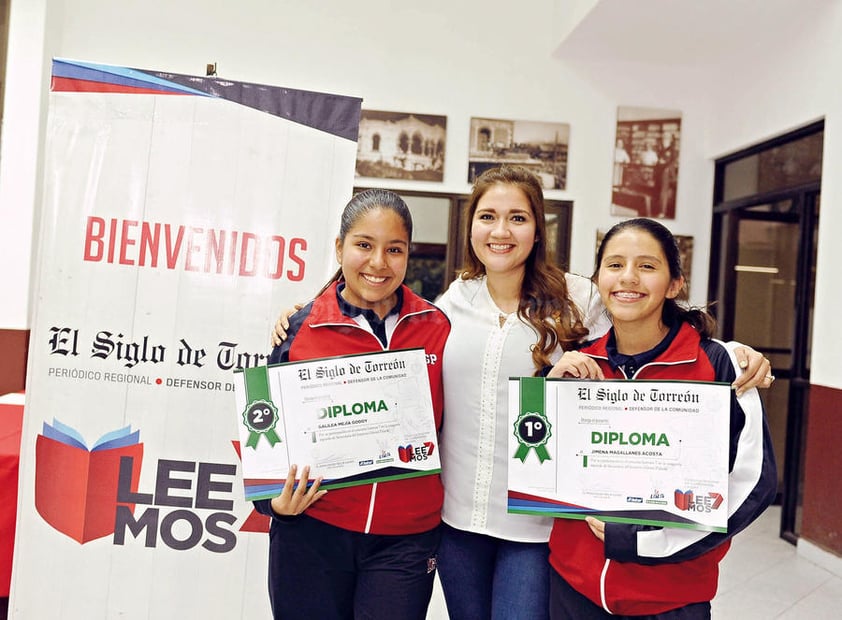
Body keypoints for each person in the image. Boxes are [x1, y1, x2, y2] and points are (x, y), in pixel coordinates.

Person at [272, 168, 773, 620]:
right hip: (456, 518)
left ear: (538, 230)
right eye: (488, 216)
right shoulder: (450, 302)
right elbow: (369, 298)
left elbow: (643, 321)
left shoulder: (581, 298)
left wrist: (731, 350)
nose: (501, 231)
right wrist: (304, 312)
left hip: (535, 523)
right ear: (471, 228)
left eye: (517, 217)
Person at [546, 217, 777, 619]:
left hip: (670, 599)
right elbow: (541, 467)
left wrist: (649, 541)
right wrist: (549, 392)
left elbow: (752, 481)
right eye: (615, 265)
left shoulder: (720, 364)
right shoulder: (577, 361)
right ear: (598, 278)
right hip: (573, 590)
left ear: (675, 284)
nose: (629, 278)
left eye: (647, 266)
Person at [254, 189, 451, 620]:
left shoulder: (437, 327)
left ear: (408, 254)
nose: (379, 263)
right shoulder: (299, 327)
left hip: (406, 538)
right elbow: (264, 423)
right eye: (364, 245)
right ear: (340, 247)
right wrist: (274, 504)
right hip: (314, 528)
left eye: (394, 249)